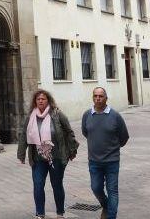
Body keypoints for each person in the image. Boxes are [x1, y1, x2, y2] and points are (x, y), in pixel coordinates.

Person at [17, 89, 79, 219]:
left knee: (56, 184)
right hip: (38, 157)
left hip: (55, 156)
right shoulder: (31, 117)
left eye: (43, 99)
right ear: (35, 101)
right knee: (38, 184)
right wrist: (21, 154)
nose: (40, 101)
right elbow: (24, 136)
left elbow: (69, 132)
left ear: (48, 100)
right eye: (38, 99)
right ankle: (40, 213)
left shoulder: (57, 114)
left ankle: (60, 213)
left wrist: (72, 150)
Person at [81, 87, 129, 219]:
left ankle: (111, 216)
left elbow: (124, 137)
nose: (98, 98)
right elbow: (86, 132)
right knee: (96, 188)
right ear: (92, 98)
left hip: (112, 161)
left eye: (101, 96)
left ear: (106, 98)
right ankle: (106, 206)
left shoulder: (115, 116)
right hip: (94, 161)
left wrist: (112, 149)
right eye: (95, 96)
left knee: (112, 190)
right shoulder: (87, 115)